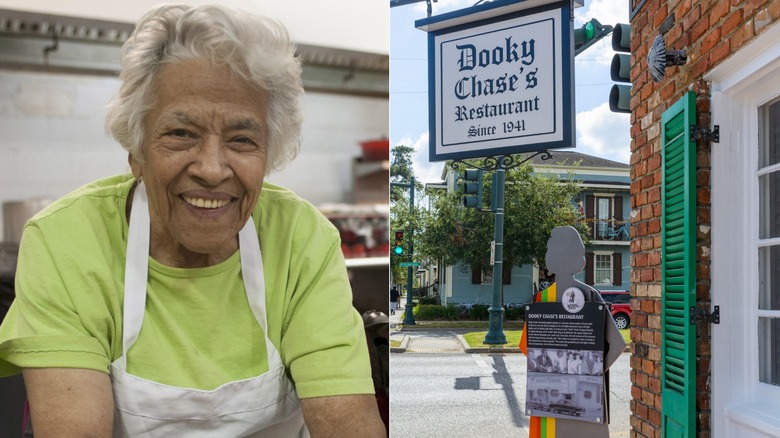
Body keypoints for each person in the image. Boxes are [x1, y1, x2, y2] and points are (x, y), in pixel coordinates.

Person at [0, 4, 384, 437]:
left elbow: (348, 422)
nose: (212, 169)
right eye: (181, 133)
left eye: (242, 139)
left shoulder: (302, 239)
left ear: (268, 155)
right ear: (136, 150)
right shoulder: (66, 241)